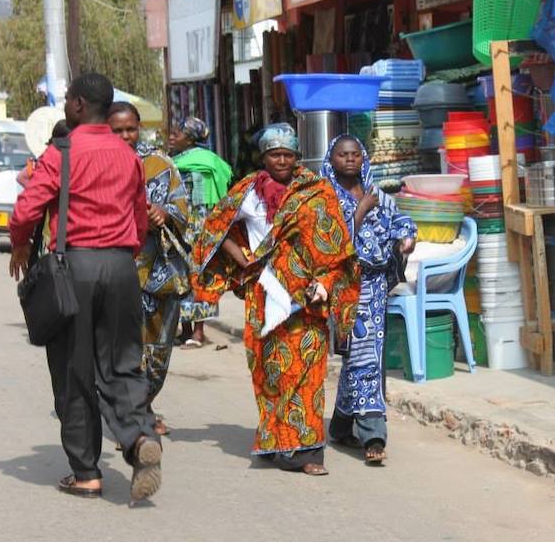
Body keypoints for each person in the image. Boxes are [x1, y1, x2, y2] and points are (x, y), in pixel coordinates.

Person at [8, 73, 162, 502]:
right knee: (122, 364)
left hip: (74, 266)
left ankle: (87, 473)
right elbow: (139, 217)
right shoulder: (129, 154)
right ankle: (137, 438)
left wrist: (20, 245)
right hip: (121, 266)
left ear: (76, 105)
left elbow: (26, 209)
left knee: (74, 370)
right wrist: (122, 259)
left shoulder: (62, 153)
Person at [190, 123, 361, 475]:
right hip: (263, 294)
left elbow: (336, 247)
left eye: (287, 154)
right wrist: (244, 260)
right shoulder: (246, 192)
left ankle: (309, 453)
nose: (281, 160)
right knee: (271, 372)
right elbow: (213, 229)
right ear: (263, 157)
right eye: (274, 154)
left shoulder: (317, 192)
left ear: (297, 156)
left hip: (307, 296)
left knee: (309, 370)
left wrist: (326, 283)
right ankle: (274, 438)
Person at [321, 134, 416, 465]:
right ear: (331, 160)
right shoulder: (325, 199)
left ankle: (343, 424)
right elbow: (331, 241)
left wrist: (405, 238)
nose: (349, 159)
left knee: (363, 357)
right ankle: (374, 433)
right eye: (342, 154)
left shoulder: (377, 194)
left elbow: (401, 219)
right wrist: (360, 211)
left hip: (376, 286)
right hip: (347, 284)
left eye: (355, 154)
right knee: (364, 356)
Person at [108, 101, 189, 437]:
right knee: (125, 349)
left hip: (159, 274)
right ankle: (132, 419)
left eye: (131, 129)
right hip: (115, 272)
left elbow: (184, 211)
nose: (126, 136)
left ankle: (142, 405)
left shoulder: (160, 164)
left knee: (157, 353)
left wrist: (164, 213)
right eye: (118, 130)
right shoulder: (98, 164)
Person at [168, 116, 232, 349]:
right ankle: (184, 330)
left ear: (191, 138)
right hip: (176, 227)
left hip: (197, 228)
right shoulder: (174, 160)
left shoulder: (202, 163)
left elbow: (201, 202)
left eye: (178, 133)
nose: (172, 137)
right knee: (179, 280)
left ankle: (197, 332)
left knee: (198, 279)